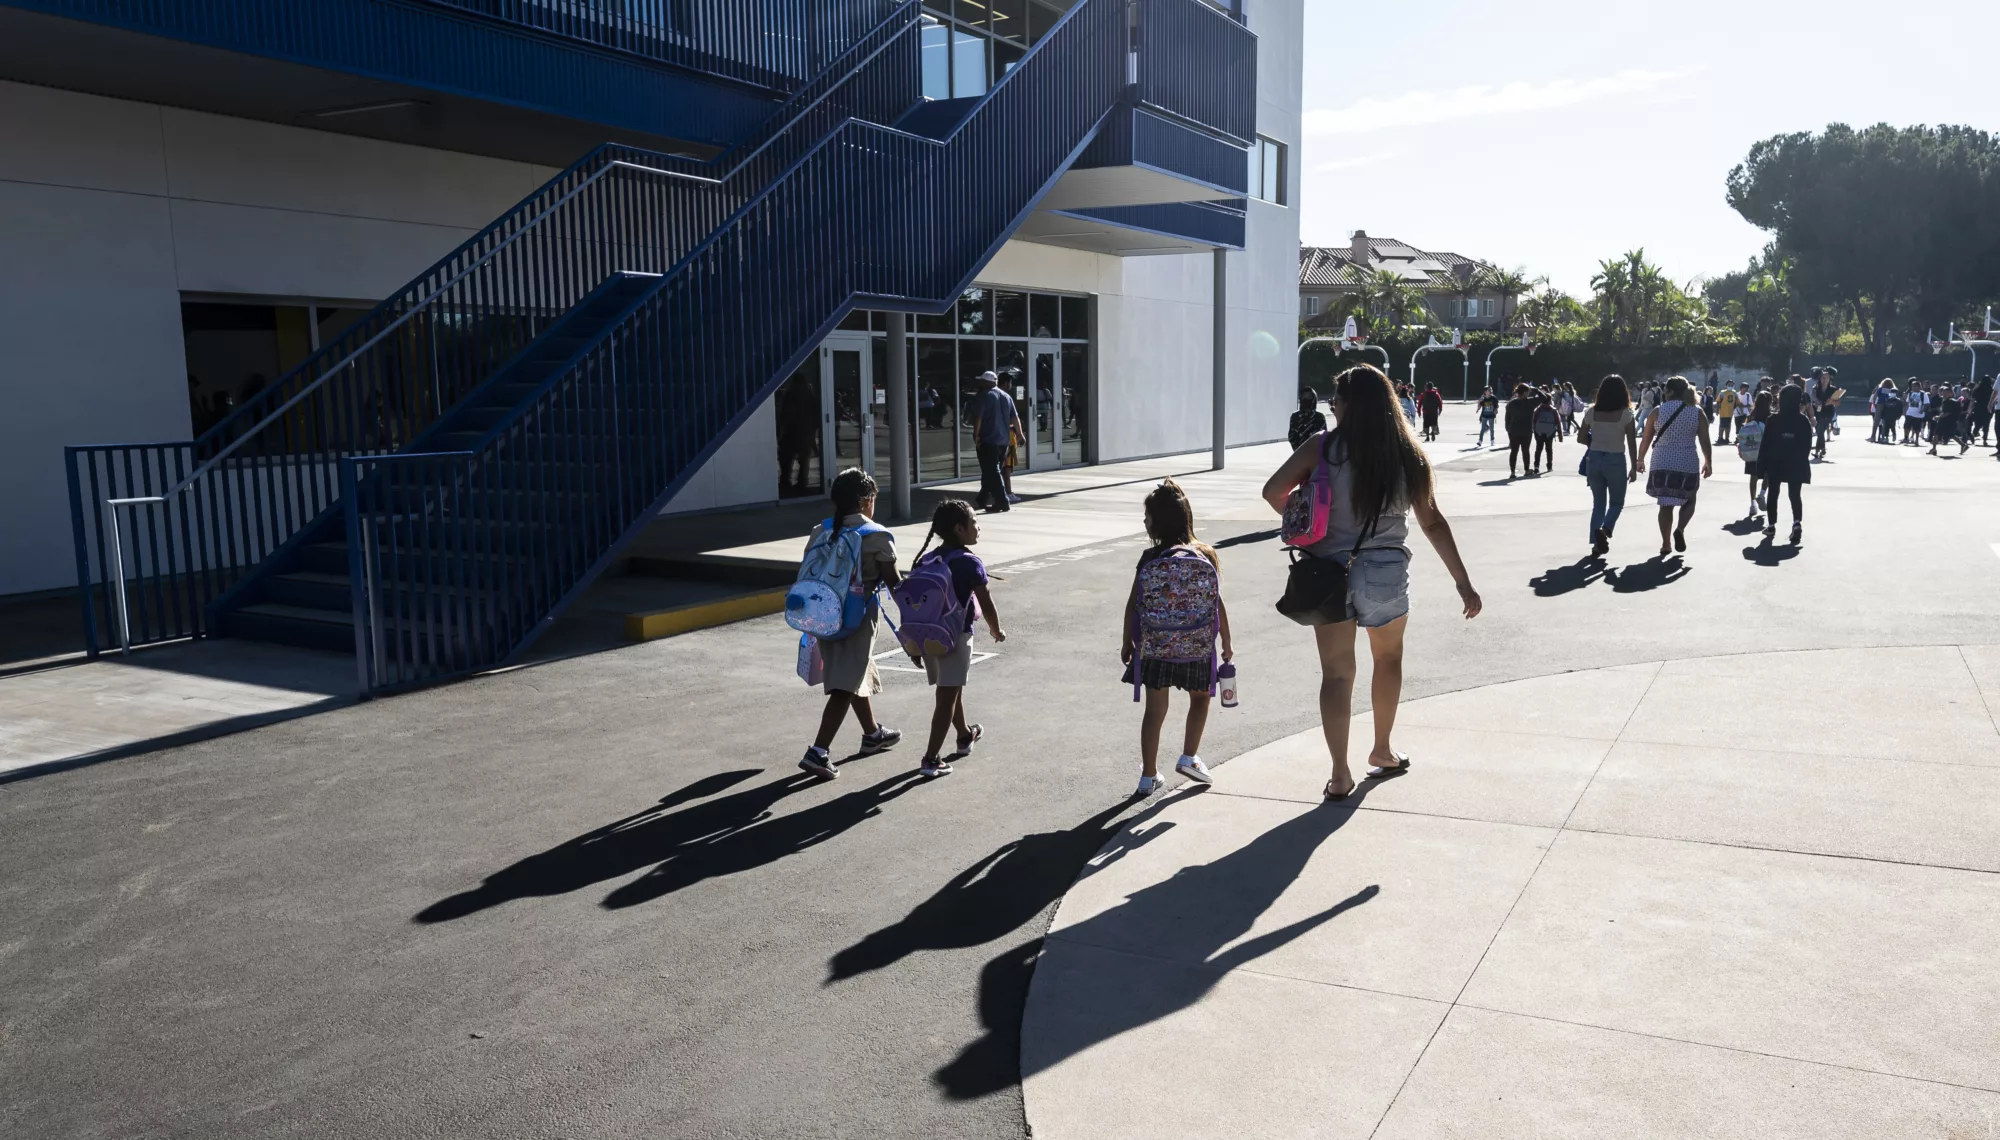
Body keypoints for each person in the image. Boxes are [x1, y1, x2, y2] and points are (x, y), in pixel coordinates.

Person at [1260, 364, 1481, 801]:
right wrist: (1463, 582)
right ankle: (1381, 750)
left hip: (1329, 573)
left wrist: (1306, 518)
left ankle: (1339, 774)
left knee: (1337, 676)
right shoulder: (1407, 454)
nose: (1331, 405)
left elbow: (1273, 491)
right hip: (1385, 572)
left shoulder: (1321, 448)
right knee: (1389, 661)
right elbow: (1432, 522)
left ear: (1348, 405)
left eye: (1335, 399)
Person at [1121, 480, 1232, 797]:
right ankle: (1189, 756)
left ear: (1159, 521)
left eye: (1148, 516)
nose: (1144, 522)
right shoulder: (1205, 554)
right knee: (1200, 699)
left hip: (1156, 647)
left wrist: (1127, 641)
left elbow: (1134, 603)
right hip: (1197, 646)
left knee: (1155, 711)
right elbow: (1217, 602)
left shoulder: (1149, 557)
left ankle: (1148, 776)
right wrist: (1226, 642)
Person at [798, 469, 903, 779]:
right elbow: (895, 584)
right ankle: (818, 752)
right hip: (857, 621)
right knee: (845, 683)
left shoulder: (821, 530)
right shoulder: (877, 536)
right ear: (867, 500)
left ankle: (872, 734)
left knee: (856, 670)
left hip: (823, 616)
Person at [903, 499, 1006, 778]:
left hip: (928, 636)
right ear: (960, 529)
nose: (978, 526)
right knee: (946, 696)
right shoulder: (969, 562)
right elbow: (986, 601)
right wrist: (996, 630)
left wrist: (913, 643)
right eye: (974, 522)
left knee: (951, 687)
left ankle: (964, 735)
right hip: (955, 637)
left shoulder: (927, 559)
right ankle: (931, 759)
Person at [1634, 374, 1713, 557]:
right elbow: (1705, 440)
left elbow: (1646, 438)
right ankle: (1680, 529)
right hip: (1687, 460)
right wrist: (1708, 462)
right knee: (1690, 498)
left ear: (1669, 391)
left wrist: (1640, 459)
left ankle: (1666, 543)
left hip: (1661, 460)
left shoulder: (1658, 411)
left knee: (1665, 504)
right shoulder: (1697, 411)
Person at [1579, 375, 1641, 557]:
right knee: (1617, 502)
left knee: (1598, 503)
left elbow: (1581, 437)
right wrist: (1634, 466)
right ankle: (1605, 530)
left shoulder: (1591, 412)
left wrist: (1596, 442)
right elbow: (1631, 443)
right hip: (1615, 460)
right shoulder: (1627, 415)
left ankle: (1596, 543)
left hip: (1594, 458)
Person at [1758, 385, 1813, 543]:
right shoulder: (1803, 420)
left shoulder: (1773, 419)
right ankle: (1796, 523)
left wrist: (1762, 466)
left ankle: (1771, 525)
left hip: (1776, 461)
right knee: (1794, 494)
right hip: (1795, 461)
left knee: (1773, 492)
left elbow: (1765, 444)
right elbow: (1807, 444)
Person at [969, 371, 1019, 512]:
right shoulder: (1006, 396)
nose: (980, 383)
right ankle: (982, 498)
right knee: (989, 470)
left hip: (988, 439)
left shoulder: (984, 396)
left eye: (982, 381)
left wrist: (976, 435)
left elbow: (978, 417)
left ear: (988, 382)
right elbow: (1015, 417)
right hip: (1003, 440)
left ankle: (1003, 501)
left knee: (992, 470)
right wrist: (1020, 434)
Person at [1740, 389, 1774, 521]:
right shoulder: (1770, 417)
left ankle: (1752, 503)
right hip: (1766, 450)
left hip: (1752, 449)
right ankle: (1762, 493)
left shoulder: (1751, 416)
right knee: (1768, 474)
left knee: (1753, 477)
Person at [1504, 383, 1536, 478]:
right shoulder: (1530, 402)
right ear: (1525, 392)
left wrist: (1508, 430)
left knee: (1514, 451)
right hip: (1526, 431)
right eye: (1528, 392)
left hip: (1513, 431)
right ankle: (1527, 470)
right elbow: (1546, 398)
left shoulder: (1511, 403)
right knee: (1525, 451)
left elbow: (1507, 419)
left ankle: (1512, 472)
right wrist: (1536, 389)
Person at [1808, 368, 1841, 459]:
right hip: (1818, 411)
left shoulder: (1833, 389)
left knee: (1820, 430)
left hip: (1828, 413)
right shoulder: (1815, 388)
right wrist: (1816, 401)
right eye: (1823, 377)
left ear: (1829, 379)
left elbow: (1838, 403)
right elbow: (1813, 397)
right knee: (1820, 431)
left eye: (1826, 378)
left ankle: (1818, 450)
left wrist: (1831, 402)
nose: (1825, 379)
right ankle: (1821, 449)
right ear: (1819, 378)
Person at [1930, 385, 1967, 456]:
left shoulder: (1950, 401)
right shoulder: (1947, 401)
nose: (1944, 394)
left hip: (1946, 421)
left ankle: (1934, 449)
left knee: (1937, 434)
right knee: (1951, 434)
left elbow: (1948, 412)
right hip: (1949, 421)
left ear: (1951, 393)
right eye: (1943, 392)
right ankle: (1963, 445)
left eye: (1946, 393)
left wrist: (1939, 417)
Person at [1530, 392, 1560, 474]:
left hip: (1539, 432)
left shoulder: (1538, 410)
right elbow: (1558, 422)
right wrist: (1560, 436)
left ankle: (1536, 466)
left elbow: (1533, 421)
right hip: (1550, 433)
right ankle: (1549, 466)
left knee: (1538, 449)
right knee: (1549, 450)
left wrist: (1534, 430)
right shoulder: (1553, 410)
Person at [1904, 379, 1928, 445]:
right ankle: (1906, 438)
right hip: (1910, 413)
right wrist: (1905, 411)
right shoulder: (1910, 393)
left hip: (1918, 414)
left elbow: (1926, 404)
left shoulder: (1923, 394)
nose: (1913, 388)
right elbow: (1907, 402)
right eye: (1912, 386)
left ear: (1919, 386)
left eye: (1915, 386)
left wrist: (1922, 410)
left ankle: (1916, 439)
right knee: (1906, 426)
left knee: (1917, 428)